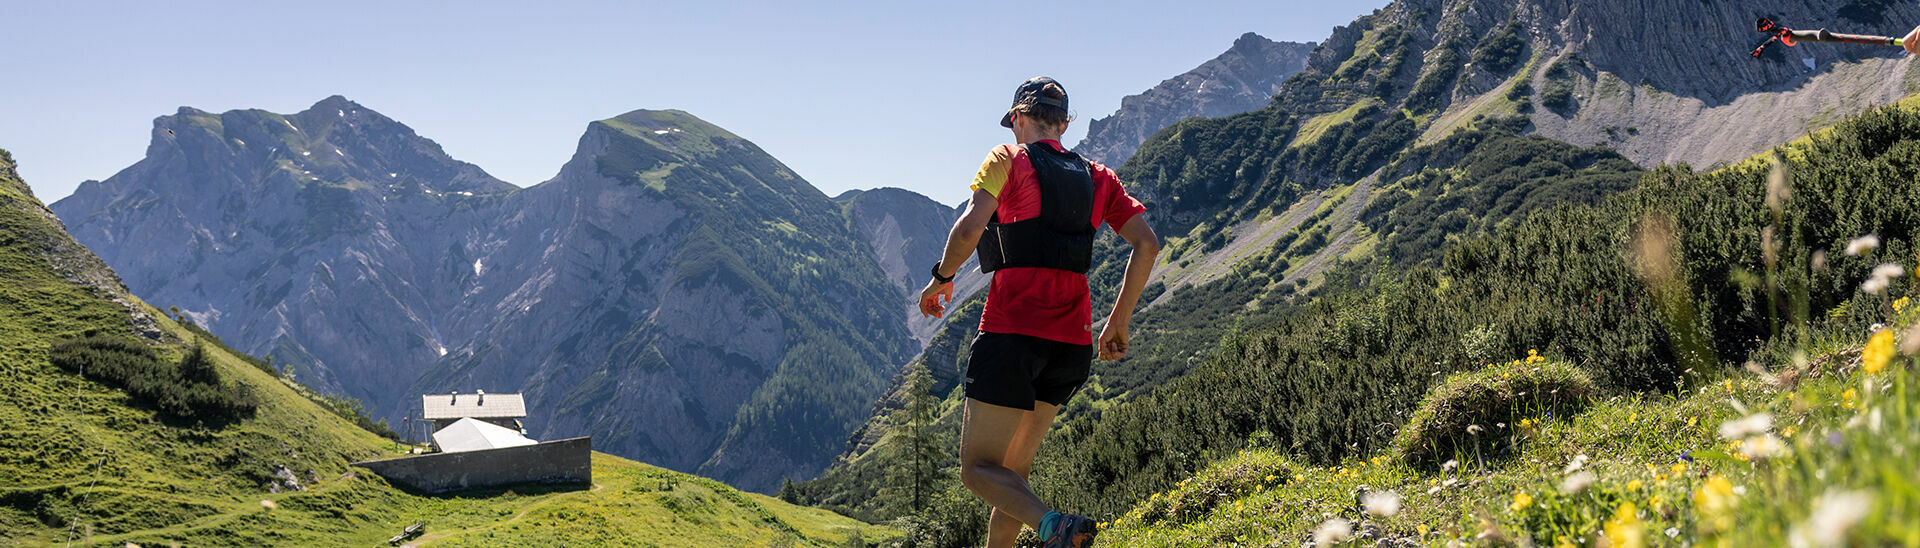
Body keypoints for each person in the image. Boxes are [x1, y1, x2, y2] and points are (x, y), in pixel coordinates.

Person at [919, 76, 1160, 548]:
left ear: (1018, 118)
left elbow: (970, 229)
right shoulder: (1100, 177)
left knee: (978, 469)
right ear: (1064, 123)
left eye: (1012, 123)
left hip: (1012, 336)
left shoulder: (1006, 159)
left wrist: (942, 277)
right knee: (1012, 477)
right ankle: (1038, 531)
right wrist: (1118, 321)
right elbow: (1147, 245)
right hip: (1071, 344)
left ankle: (1056, 526)